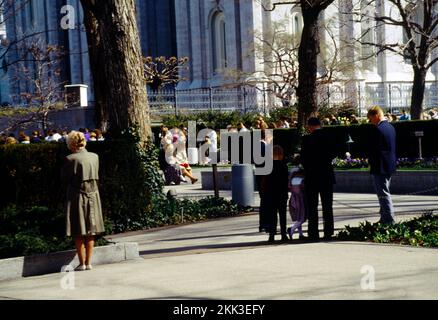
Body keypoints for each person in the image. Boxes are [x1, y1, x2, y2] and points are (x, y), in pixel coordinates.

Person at [62, 131, 105, 271]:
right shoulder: (95, 157)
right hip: (93, 194)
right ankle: (89, 262)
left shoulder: (70, 159)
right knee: (91, 230)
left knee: (78, 230)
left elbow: (64, 178)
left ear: (71, 143)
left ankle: (82, 263)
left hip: (77, 195)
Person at [300, 117, 337, 242]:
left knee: (312, 206)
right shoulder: (329, 137)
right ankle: (328, 232)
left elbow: (304, 159)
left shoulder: (306, 140)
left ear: (310, 126)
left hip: (312, 176)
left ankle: (313, 233)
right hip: (326, 175)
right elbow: (333, 154)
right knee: (327, 206)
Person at [367, 106, 397, 225]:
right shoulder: (390, 127)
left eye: (370, 119)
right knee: (384, 192)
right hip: (388, 164)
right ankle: (384, 217)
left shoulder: (378, 129)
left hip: (380, 166)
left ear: (376, 115)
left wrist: (370, 161)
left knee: (383, 194)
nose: (370, 122)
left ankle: (389, 219)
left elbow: (375, 150)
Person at [265, 145, 289, 243]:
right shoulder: (284, 166)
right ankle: (283, 234)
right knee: (282, 215)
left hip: (271, 193)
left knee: (272, 215)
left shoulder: (268, 166)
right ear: (281, 154)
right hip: (282, 193)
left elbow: (266, 180)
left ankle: (272, 235)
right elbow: (285, 180)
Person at [287, 157, 307, 240]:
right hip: (300, 198)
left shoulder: (292, 175)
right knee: (303, 217)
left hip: (293, 198)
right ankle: (291, 229)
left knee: (298, 217)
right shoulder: (301, 176)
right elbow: (303, 187)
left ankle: (300, 234)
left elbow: (289, 186)